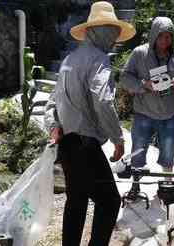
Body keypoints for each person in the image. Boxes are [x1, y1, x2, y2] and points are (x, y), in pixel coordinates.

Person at [44, 2, 136, 245]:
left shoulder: (69, 60)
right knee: (109, 201)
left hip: (67, 144)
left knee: (77, 199)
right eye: (112, 31)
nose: (115, 37)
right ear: (99, 31)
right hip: (85, 145)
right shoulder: (98, 59)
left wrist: (54, 126)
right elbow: (103, 101)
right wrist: (117, 138)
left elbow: (52, 102)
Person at [120, 17, 174, 194]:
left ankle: (166, 185)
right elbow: (125, 77)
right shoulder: (139, 53)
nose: (165, 41)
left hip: (168, 115)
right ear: (153, 36)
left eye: (169, 37)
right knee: (138, 152)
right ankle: (135, 185)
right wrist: (144, 85)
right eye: (161, 36)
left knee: (168, 152)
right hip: (144, 113)